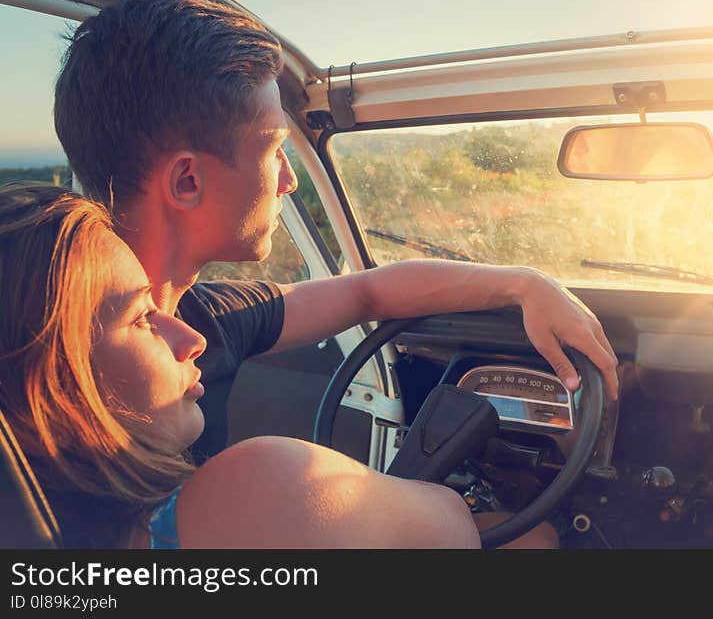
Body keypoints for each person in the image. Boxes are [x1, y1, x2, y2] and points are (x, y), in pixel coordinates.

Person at [52, 0, 619, 465]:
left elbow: (365, 290)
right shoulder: (46, 379)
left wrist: (525, 284)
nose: (288, 181)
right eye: (275, 151)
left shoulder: (203, 317)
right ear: (187, 182)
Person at [0, 183, 489, 548]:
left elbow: (362, 292)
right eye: (141, 319)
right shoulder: (254, 494)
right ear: (44, 384)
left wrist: (519, 285)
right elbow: (455, 528)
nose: (192, 340)